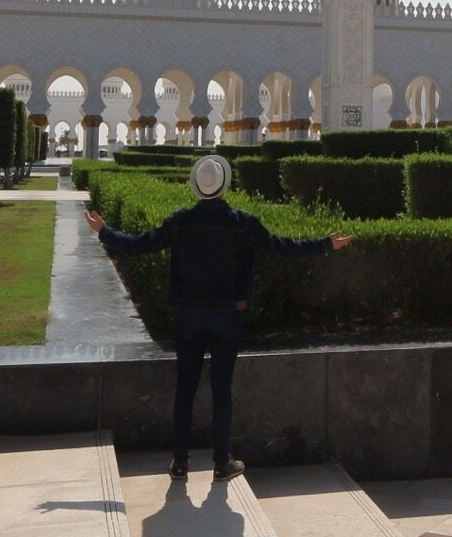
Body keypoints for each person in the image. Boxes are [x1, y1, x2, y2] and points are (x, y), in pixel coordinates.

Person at [88, 154, 349, 481]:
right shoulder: (242, 222)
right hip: (227, 316)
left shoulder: (181, 221)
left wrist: (105, 232)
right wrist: (325, 244)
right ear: (225, 186)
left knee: (185, 389)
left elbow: (140, 245)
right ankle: (221, 461)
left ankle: (180, 463)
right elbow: (283, 248)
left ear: (198, 187)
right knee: (222, 390)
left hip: (190, 315)